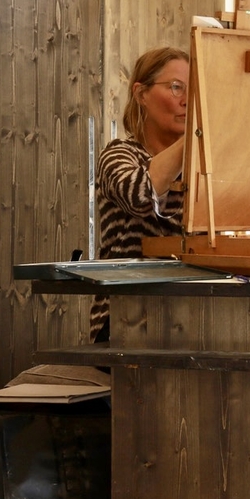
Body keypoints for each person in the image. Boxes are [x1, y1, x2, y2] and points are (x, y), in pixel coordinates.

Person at [89, 47, 190, 342]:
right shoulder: (120, 153)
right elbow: (140, 196)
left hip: (187, 314)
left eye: (194, 91)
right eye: (175, 87)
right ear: (141, 94)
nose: (187, 100)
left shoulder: (202, 171)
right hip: (124, 320)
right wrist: (195, 136)